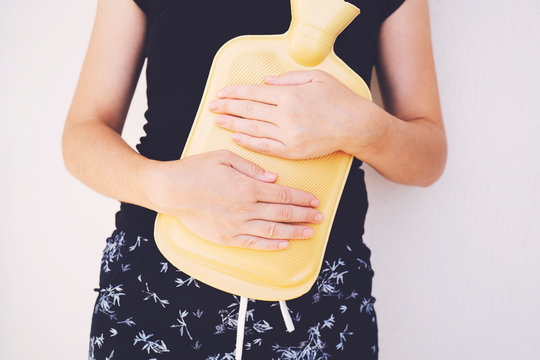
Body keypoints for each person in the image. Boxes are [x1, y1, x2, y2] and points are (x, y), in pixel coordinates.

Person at [62, 0, 447, 358]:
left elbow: (429, 156)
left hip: (320, 293)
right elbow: (83, 131)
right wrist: (166, 187)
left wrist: (360, 126)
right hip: (155, 282)